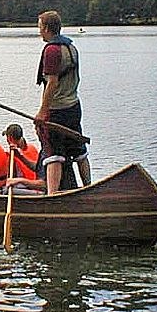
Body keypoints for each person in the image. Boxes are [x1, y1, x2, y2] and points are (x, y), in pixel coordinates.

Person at [34, 10, 91, 194]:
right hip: (73, 106)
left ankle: (52, 195)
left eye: (40, 26)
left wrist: (43, 111)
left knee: (53, 154)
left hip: (57, 109)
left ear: (47, 28)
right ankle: (88, 187)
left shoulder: (52, 50)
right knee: (78, 148)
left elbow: (52, 83)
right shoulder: (71, 47)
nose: (39, 31)